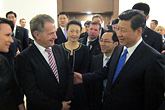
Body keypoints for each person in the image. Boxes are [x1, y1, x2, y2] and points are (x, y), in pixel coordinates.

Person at [74, 9, 165, 110]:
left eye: (123, 30)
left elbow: (153, 100)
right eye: (118, 29)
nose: (119, 34)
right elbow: (107, 71)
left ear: (138, 31)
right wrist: (83, 78)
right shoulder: (118, 49)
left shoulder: (153, 59)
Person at [16, 14, 73, 110]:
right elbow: (31, 92)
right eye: (51, 33)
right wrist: (58, 106)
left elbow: (69, 74)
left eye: (55, 32)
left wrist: (66, 100)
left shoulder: (59, 49)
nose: (55, 36)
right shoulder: (24, 58)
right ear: (37, 35)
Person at [60, 19, 89, 110]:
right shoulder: (59, 48)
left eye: (77, 31)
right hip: (62, 88)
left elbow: (86, 69)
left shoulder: (84, 49)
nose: (74, 34)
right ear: (66, 31)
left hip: (79, 89)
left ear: (81, 32)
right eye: (71, 31)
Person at [90, 30, 119, 110]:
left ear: (115, 44)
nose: (102, 44)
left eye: (106, 41)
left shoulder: (120, 61)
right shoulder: (95, 59)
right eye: (101, 40)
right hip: (96, 103)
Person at [0, 17, 25, 110]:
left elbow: (13, 87)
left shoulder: (4, 61)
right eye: (7, 35)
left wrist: (21, 105)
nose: (11, 40)